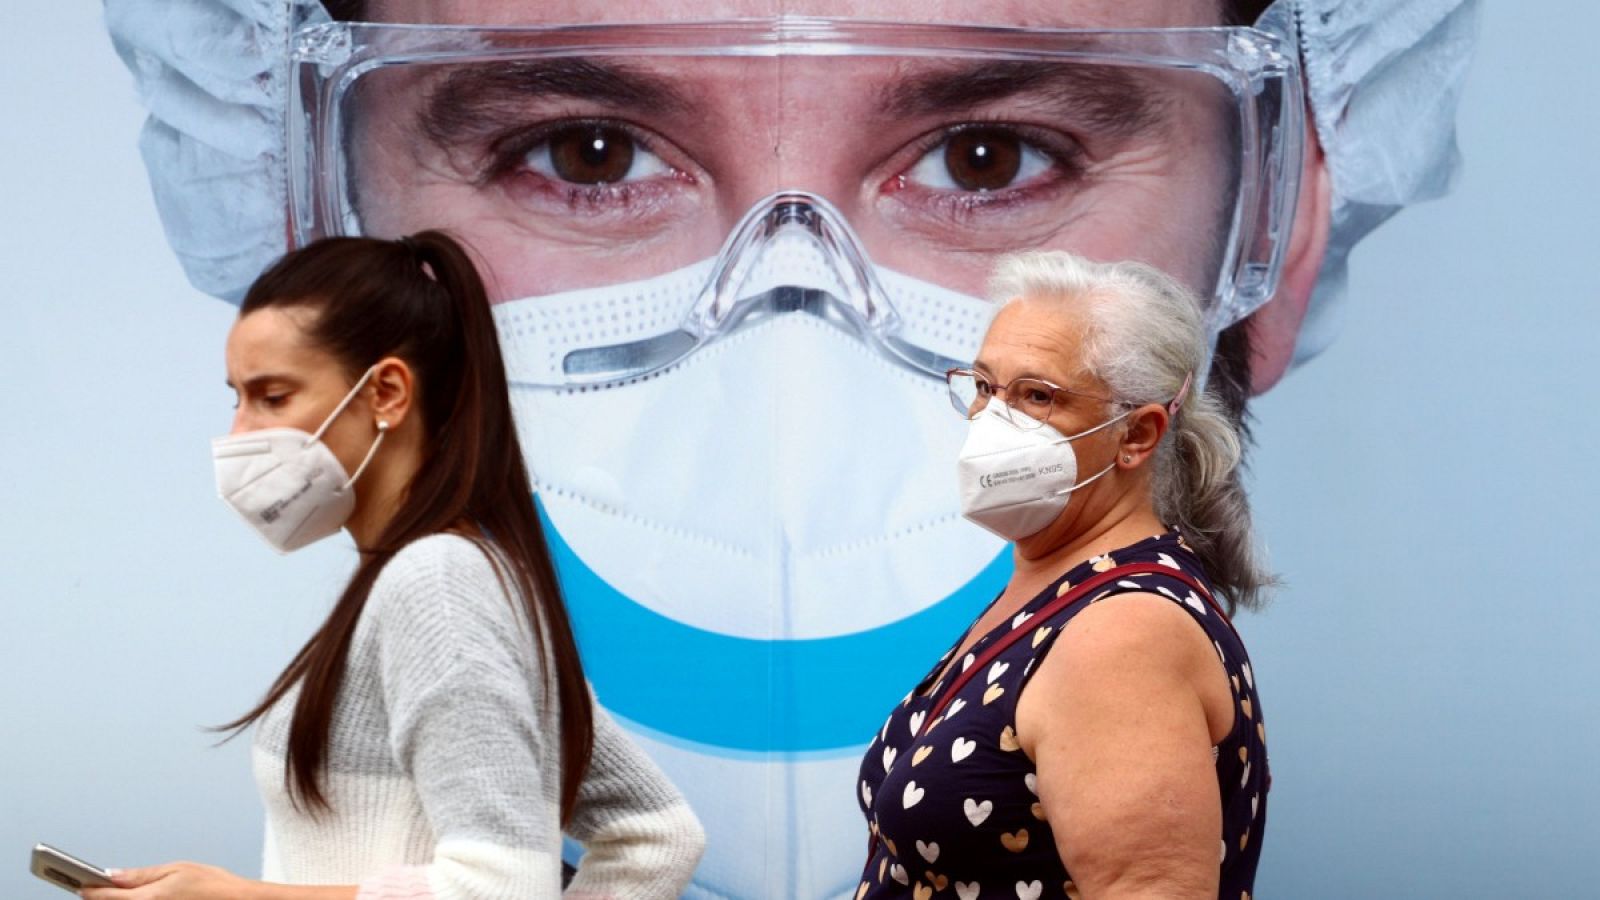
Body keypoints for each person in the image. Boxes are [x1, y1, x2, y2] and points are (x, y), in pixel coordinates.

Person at [105, 1, 1476, 894]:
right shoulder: (451, 640)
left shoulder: (1120, 644)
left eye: (990, 157)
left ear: (1281, 236)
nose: (791, 360)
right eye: (583, 154)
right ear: (310, 234)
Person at [83, 232, 704, 900]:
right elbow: (654, 834)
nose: (239, 436)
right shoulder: (450, 577)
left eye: (273, 396)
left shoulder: (436, 586)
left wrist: (237, 898)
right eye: (235, 397)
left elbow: (502, 889)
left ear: (386, 393)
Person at [857, 250, 1269, 899]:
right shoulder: (1058, 584)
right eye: (987, 388)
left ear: (1136, 435)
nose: (994, 419)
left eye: (1038, 396)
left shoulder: (1124, 634)